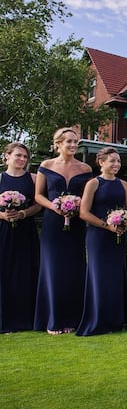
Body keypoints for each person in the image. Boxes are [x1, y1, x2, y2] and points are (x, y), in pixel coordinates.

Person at [76, 147, 127, 336]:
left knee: (117, 275)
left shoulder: (124, 184)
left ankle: (117, 319)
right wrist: (107, 225)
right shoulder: (93, 184)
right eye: (112, 161)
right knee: (99, 276)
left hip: (119, 236)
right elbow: (83, 213)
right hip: (98, 236)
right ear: (101, 162)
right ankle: (99, 320)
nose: (116, 164)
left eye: (119, 161)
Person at [34, 127, 92, 335]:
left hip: (76, 224)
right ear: (58, 143)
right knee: (53, 270)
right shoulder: (46, 165)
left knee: (75, 270)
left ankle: (73, 319)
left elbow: (89, 196)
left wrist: (77, 206)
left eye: (75, 141)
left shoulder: (85, 168)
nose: (72, 145)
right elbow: (38, 196)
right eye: (68, 141)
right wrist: (55, 206)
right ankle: (53, 319)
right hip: (52, 224)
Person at [0, 142, 42, 333]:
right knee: (5, 272)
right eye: (18, 155)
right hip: (3, 231)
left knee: (27, 271)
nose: (22, 160)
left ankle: (28, 319)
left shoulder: (33, 178)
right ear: (6, 156)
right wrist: (2, 215)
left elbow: (38, 204)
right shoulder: (0, 178)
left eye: (25, 157)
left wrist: (23, 214)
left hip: (26, 231)